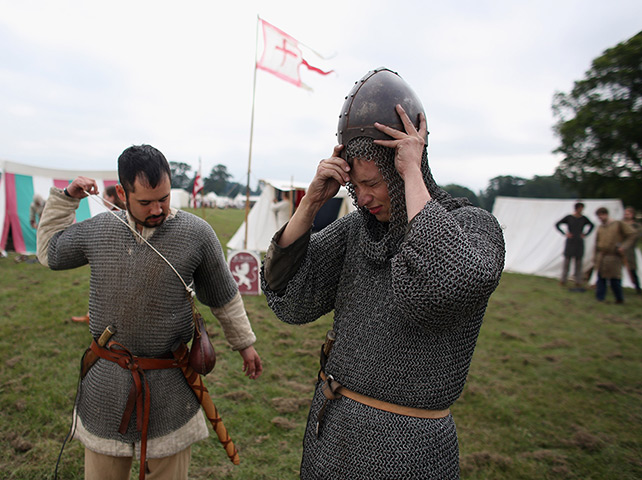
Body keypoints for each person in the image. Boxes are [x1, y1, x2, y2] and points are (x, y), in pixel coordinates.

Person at [261, 68, 505, 479]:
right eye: (355, 186)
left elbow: (450, 284)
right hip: (334, 432)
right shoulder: (358, 231)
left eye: (374, 182)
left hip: (410, 448)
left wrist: (410, 172)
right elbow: (290, 297)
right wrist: (310, 204)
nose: (364, 196)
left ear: (408, 162)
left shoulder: (473, 228)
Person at [37, 144, 263, 480]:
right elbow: (51, 252)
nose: (158, 209)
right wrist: (68, 198)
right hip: (108, 381)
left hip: (168, 380)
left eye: (165, 198)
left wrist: (244, 343)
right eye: (145, 202)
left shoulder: (196, 234)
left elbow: (222, 296)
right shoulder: (100, 229)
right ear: (121, 193)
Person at [70, 185, 125, 323]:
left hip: (116, 262)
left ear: (112, 197)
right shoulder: (112, 213)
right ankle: (92, 316)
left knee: (109, 293)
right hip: (110, 260)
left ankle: (99, 319)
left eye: (106, 195)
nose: (104, 198)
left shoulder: (117, 214)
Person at [593, 207, 636, 303]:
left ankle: (619, 299)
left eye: (601, 215)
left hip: (614, 256)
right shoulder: (600, 227)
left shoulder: (618, 224)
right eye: (598, 216)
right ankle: (600, 298)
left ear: (605, 214)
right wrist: (595, 256)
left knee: (614, 279)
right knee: (601, 278)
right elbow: (596, 243)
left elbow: (632, 234)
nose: (600, 218)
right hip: (602, 256)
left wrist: (623, 246)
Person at [555, 202, 594, 291]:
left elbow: (592, 225)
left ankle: (578, 281)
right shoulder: (569, 218)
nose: (581, 210)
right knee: (567, 262)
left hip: (579, 242)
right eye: (580, 208)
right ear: (577, 208)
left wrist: (585, 234)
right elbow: (557, 224)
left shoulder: (583, 218)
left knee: (578, 263)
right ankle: (563, 280)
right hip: (570, 241)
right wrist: (565, 233)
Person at [622, 206, 642, 294]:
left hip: (630, 249)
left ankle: (637, 287)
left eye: (628, 213)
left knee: (632, 268)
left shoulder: (636, 226)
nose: (626, 215)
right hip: (620, 248)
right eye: (625, 213)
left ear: (632, 215)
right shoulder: (621, 224)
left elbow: (635, 236)